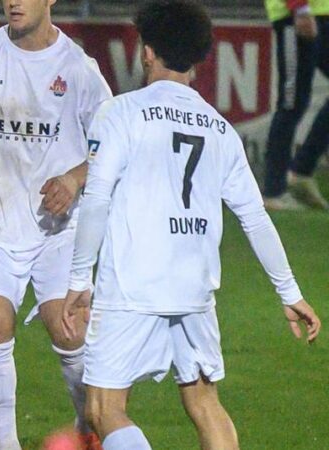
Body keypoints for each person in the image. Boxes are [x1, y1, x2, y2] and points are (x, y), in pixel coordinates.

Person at [61, 2, 322, 449]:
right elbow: (254, 216)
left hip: (132, 285)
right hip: (196, 289)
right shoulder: (219, 129)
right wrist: (289, 292)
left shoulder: (122, 113)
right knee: (204, 403)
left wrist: (78, 278)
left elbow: (97, 197)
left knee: (105, 408)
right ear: (199, 59)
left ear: (147, 52)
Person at [0, 1, 112, 448]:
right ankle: (7, 444)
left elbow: (115, 145)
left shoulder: (77, 69)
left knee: (70, 330)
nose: (14, 1)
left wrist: (76, 178)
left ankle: (87, 428)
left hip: (60, 232)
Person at [262, 0, 329, 210]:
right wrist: (299, 7)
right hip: (295, 15)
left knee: (294, 102)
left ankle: (301, 169)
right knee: (292, 103)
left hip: (320, 13)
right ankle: (273, 190)